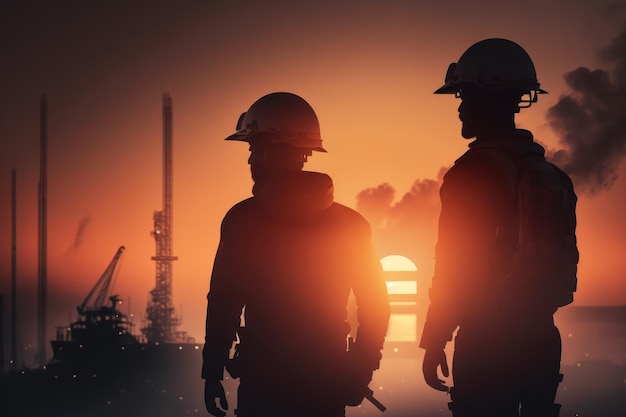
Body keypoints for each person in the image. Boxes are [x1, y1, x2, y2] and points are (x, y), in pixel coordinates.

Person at [202, 92, 390, 417]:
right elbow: (375, 305)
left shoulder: (243, 221)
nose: (249, 160)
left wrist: (213, 370)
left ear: (273, 149)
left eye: (253, 148)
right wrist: (361, 370)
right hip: (325, 383)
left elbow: (224, 301)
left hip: (263, 384)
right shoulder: (352, 225)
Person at [420, 39, 579, 417]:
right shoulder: (553, 175)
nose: (459, 108)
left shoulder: (472, 173)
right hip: (542, 338)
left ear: (489, 97)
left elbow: (454, 265)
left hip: (488, 341)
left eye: (465, 96)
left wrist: (435, 338)